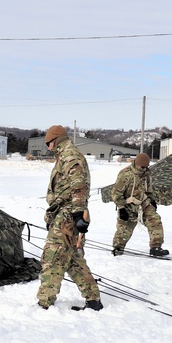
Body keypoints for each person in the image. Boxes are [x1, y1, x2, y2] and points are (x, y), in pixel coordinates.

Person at [36, 125, 103, 311]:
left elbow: (78, 186)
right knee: (72, 258)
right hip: (64, 212)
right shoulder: (63, 157)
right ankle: (93, 299)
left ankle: (44, 303)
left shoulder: (70, 157)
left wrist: (77, 214)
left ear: (56, 141)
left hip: (68, 214)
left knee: (53, 257)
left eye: (49, 144)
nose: (48, 148)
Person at [111, 152, 169, 257]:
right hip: (128, 206)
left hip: (144, 205)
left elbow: (149, 189)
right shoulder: (126, 174)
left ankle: (156, 247)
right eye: (142, 167)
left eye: (146, 167)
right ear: (137, 164)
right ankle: (118, 248)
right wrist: (121, 207)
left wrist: (152, 200)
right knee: (124, 230)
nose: (144, 169)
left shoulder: (146, 174)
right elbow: (116, 193)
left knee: (155, 221)